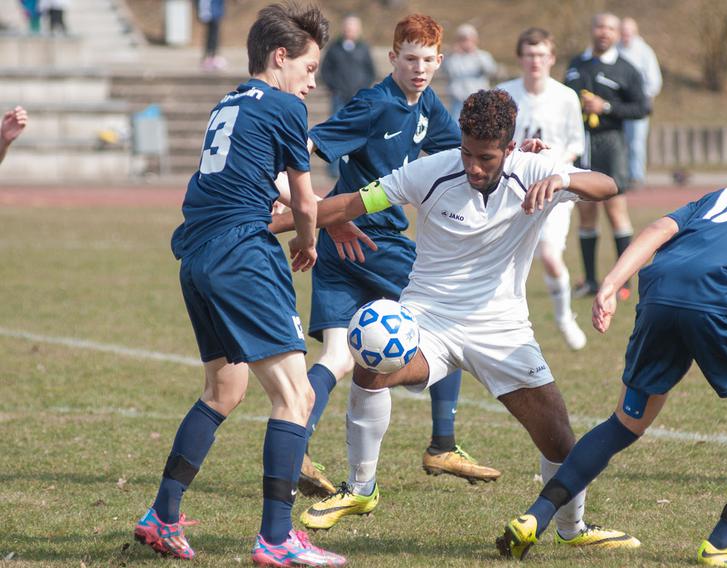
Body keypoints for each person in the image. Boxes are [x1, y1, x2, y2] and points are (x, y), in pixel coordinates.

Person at [299, 91, 641, 557]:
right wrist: (271, 220)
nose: (473, 166)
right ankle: (361, 489)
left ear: (509, 147)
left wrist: (562, 178)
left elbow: (607, 184)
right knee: (370, 363)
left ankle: (572, 526)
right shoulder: (431, 171)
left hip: (502, 329)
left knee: (559, 437)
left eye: (485, 157)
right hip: (428, 319)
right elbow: (351, 204)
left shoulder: (536, 169)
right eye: (466, 153)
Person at [498, 148, 727, 566]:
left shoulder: (723, 195)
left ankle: (536, 516)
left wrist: (610, 284)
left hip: (660, 292)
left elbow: (659, 228)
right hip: (722, 301)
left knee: (626, 421)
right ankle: (724, 542)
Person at [132, 4, 347, 566]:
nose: (313, 80)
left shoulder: (228, 102)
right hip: (240, 253)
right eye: (309, 65)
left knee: (223, 391)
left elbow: (247, 177)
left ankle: (163, 514)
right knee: (295, 396)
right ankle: (278, 539)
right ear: (281, 57)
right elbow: (303, 199)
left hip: (197, 255)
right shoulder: (285, 106)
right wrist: (309, 241)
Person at [270, 14, 502, 499]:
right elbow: (306, 148)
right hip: (372, 239)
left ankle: (297, 452)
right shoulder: (375, 103)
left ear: (440, 61)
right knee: (448, 317)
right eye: (409, 59)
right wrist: (302, 203)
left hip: (341, 241)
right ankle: (442, 442)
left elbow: (465, 154)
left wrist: (520, 155)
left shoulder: (427, 105)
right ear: (392, 57)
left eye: (427, 61)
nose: (418, 69)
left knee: (336, 356)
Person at [497, 28, 587, 350]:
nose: (535, 61)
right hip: (511, 188)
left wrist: (552, 168)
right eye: (529, 54)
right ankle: (501, 324)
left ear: (551, 58)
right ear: (521, 58)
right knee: (503, 260)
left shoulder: (566, 96)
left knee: (550, 256)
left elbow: (576, 144)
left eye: (541, 55)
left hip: (555, 187)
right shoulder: (504, 94)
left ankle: (564, 318)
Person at [565, 13, 649, 300]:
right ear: (592, 29)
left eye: (611, 28)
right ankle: (589, 281)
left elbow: (642, 108)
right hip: (580, 143)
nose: (605, 32)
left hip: (611, 144)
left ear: (616, 34)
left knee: (616, 212)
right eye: (600, 26)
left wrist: (607, 107)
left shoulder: (626, 69)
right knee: (585, 213)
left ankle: (623, 282)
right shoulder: (577, 63)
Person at [319, 14, 375, 178]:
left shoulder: (364, 48)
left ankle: (356, 168)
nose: (350, 31)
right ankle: (334, 169)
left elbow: (371, 72)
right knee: (337, 132)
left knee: (358, 132)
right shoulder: (334, 48)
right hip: (339, 98)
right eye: (347, 27)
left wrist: (363, 89)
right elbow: (325, 71)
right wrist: (334, 88)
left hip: (359, 98)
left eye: (353, 28)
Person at [619, 17, 662, 187]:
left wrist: (646, 98)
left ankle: (636, 176)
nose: (625, 37)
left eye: (628, 33)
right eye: (622, 33)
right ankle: (620, 174)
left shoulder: (644, 51)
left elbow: (654, 80)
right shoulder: (615, 50)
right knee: (619, 141)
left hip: (637, 103)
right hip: (618, 103)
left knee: (636, 142)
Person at [442, 24, 498, 118]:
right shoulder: (453, 57)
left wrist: (474, 53)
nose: (466, 42)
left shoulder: (483, 56)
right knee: (456, 131)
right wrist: (451, 54)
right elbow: (446, 71)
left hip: (479, 103)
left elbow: (491, 70)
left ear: (475, 40)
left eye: (468, 39)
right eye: (462, 39)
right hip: (458, 103)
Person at [199, 0, 226, 71]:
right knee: (212, 36)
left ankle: (211, 56)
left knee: (213, 35)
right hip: (212, 13)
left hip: (214, 13)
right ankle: (210, 57)